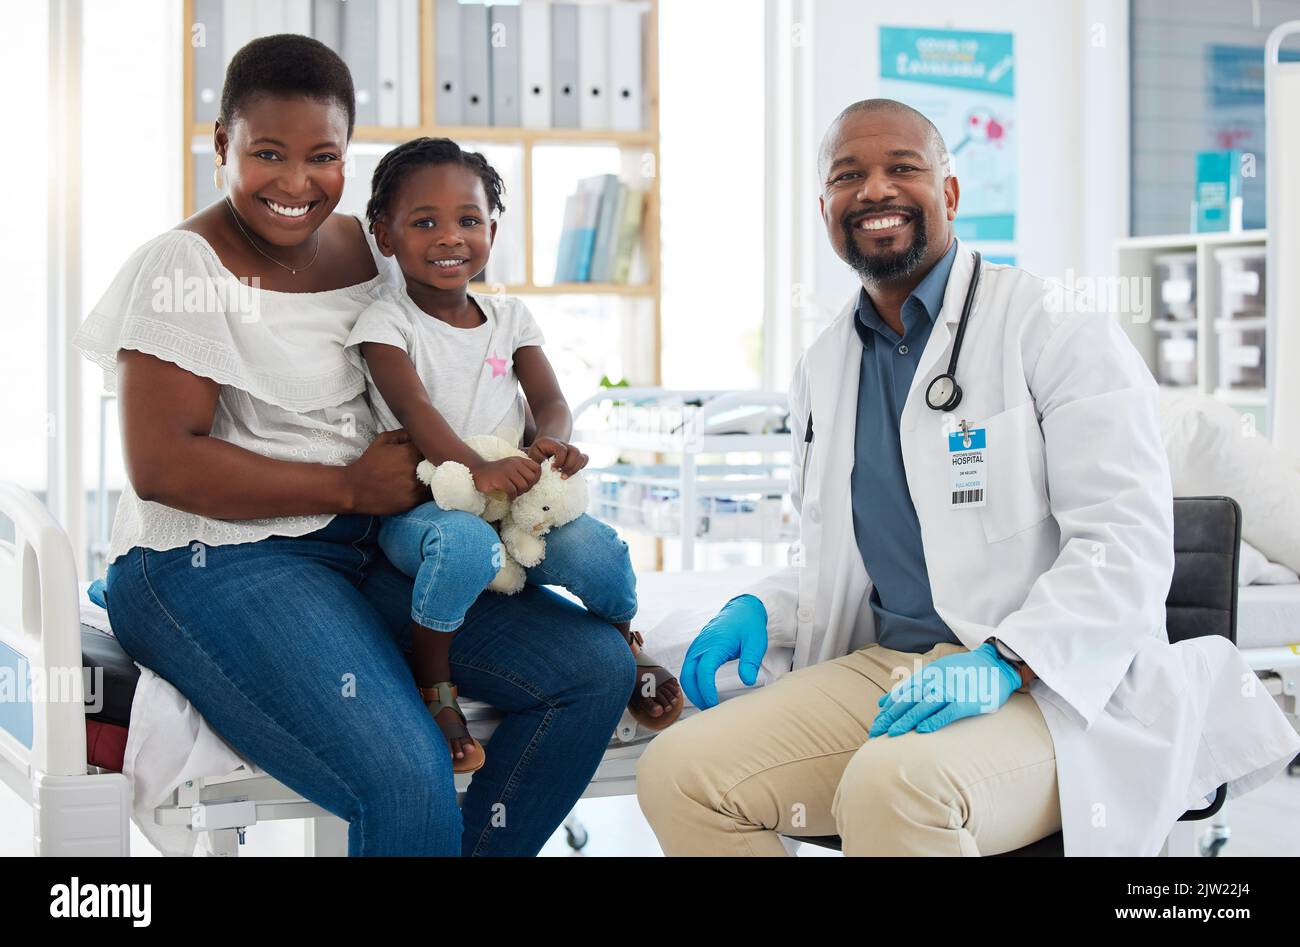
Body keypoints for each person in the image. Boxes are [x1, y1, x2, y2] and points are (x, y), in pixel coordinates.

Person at [635, 98, 1300, 856]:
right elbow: (847, 551)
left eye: (903, 168)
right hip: (889, 669)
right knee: (679, 771)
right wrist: (765, 604)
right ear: (825, 209)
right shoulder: (824, 366)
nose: (875, 190)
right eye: (849, 175)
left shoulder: (1055, 327)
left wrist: (1006, 659)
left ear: (948, 194)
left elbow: (1127, 545)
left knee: (898, 784)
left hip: (1052, 685)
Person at [75, 34, 635, 856]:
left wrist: (509, 456)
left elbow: (449, 350)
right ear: (221, 145)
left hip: (370, 543)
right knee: (404, 775)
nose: (295, 182)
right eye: (267, 153)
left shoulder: (371, 250)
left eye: (322, 157)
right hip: (216, 558)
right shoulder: (181, 268)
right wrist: (347, 487)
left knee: (590, 671)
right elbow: (163, 466)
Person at [346, 137, 684, 771]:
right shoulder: (386, 325)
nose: (450, 237)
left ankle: (620, 636)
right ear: (385, 238)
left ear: (492, 231)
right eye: (425, 222)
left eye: (468, 221)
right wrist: (476, 469)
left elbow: (550, 399)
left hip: (512, 501)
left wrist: (548, 443)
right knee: (465, 547)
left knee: (594, 550)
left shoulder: (510, 319)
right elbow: (419, 415)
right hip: (423, 509)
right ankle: (435, 686)